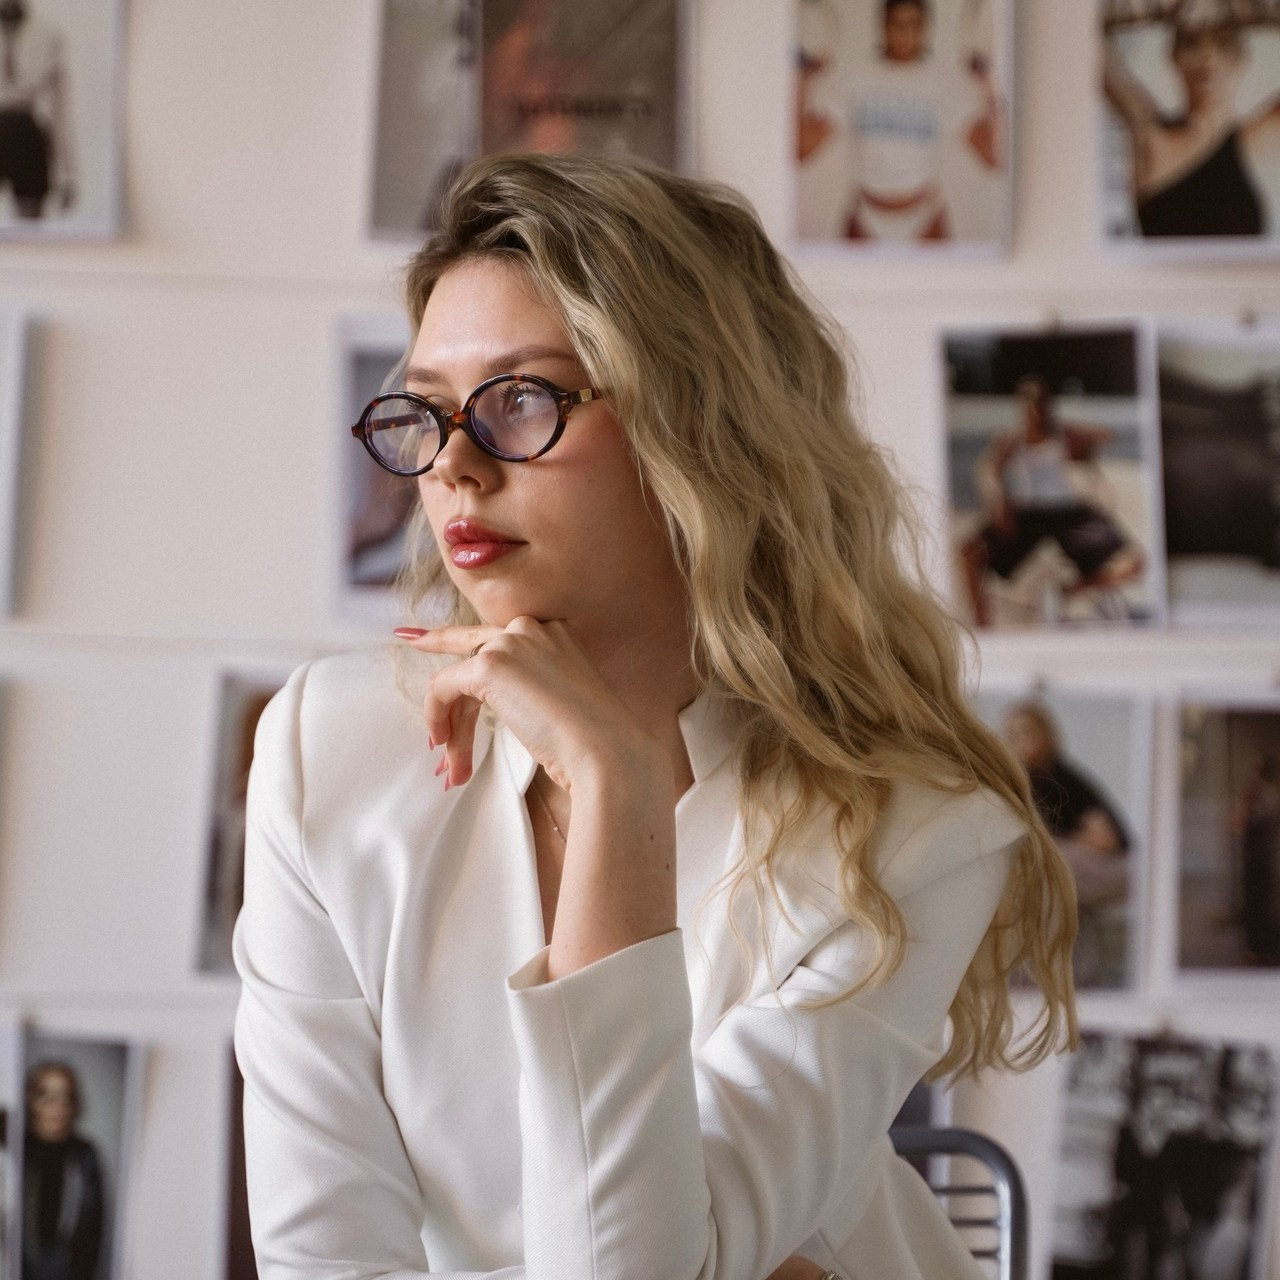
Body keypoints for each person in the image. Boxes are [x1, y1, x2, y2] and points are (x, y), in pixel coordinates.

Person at [235, 152, 1078, 1279]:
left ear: (701, 428)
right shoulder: (323, 746)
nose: (452, 470)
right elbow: (322, 1257)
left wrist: (615, 789)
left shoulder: (915, 836)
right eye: (427, 413)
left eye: (520, 398)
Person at [797, 0, 1005, 242]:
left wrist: (989, 83)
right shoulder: (856, 77)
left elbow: (995, 156)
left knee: (937, 281)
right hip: (866, 215)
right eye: (897, 23)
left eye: (914, 24)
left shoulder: (945, 83)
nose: (906, 32)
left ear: (927, 27)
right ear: (883, 26)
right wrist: (804, 77)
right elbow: (802, 148)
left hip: (925, 217)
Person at [959, 374, 1146, 626]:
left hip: (1066, 511)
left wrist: (1086, 445)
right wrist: (999, 504)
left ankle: (1066, 592)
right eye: (1032, 403)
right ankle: (983, 629)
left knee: (1134, 562)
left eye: (1043, 402)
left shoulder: (1064, 435)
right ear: (1022, 406)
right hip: (1027, 513)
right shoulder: (1012, 440)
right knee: (969, 553)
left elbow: (1104, 436)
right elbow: (989, 474)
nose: (1038, 409)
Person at [1102, 0, 1280, 238]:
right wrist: (1167, 7)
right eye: (1191, 44)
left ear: (1241, 58)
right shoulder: (1149, 134)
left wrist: (1245, 8)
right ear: (1173, 56)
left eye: (1223, 44)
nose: (1207, 57)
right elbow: (1090, 45)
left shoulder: (1253, 140)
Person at [1001, 700, 1131, 988]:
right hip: (1086, 867)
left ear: (1047, 735)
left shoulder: (1061, 777)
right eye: (1010, 734)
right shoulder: (1024, 779)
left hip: (1114, 869)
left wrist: (1057, 840)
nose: (1017, 742)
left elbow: (1107, 840)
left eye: (1025, 733)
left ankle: (1052, 974)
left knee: (1045, 866)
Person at [21, 1062, 104, 1280]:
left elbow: (94, 1224)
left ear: (75, 1104)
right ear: (31, 1101)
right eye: (46, 1096)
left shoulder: (85, 1154)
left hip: (66, 1266)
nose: (57, 1106)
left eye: (65, 1096)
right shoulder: (15, 1147)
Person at [0, 0, 73, 221]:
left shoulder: (48, 34)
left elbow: (61, 110)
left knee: (31, 226)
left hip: (27, 134)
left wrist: (68, 173)